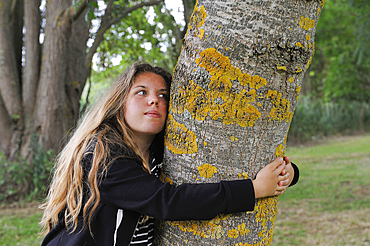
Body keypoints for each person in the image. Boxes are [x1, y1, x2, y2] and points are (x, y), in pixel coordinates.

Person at [40, 62, 299, 246]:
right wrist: (253, 189)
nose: (154, 100)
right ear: (120, 102)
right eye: (141, 92)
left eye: (163, 95)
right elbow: (167, 201)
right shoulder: (102, 154)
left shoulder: (161, 147)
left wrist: (287, 172)